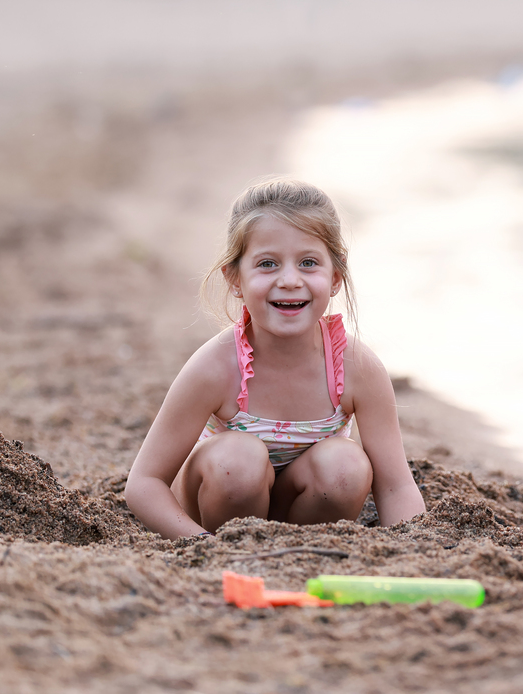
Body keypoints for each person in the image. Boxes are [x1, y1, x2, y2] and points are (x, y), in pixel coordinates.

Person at [126, 177, 426, 537]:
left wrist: (415, 546)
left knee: (346, 464)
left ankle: (295, 549)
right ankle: (235, 549)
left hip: (302, 517)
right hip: (216, 513)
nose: (289, 280)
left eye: (308, 263)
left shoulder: (356, 367)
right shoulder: (216, 367)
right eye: (267, 264)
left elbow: (395, 486)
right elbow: (144, 483)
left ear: (336, 276)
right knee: (238, 461)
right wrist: (200, 544)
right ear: (234, 278)